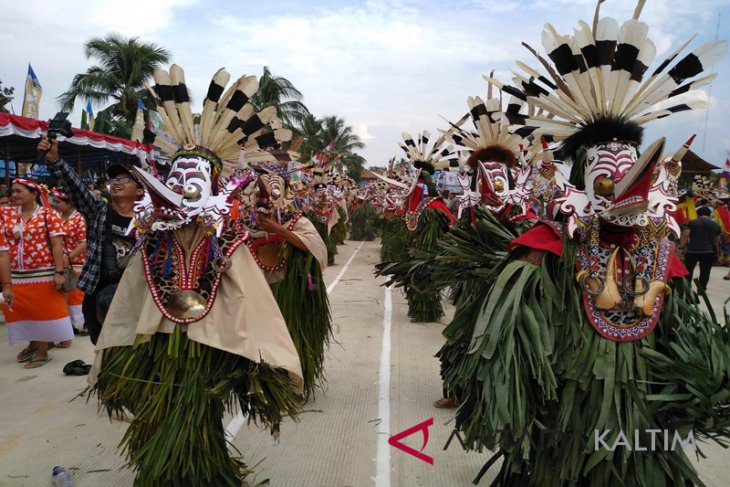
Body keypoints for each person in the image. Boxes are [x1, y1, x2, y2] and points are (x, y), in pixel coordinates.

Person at [41, 137, 144, 345]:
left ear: (140, 190)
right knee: (104, 344)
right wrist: (54, 159)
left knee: (137, 344)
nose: (116, 184)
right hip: (100, 290)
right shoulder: (97, 211)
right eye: (114, 181)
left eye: (124, 180)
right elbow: (75, 187)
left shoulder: (149, 220)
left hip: (138, 292)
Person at [1, 179, 74, 368]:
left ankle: (42, 351)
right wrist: (6, 282)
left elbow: (57, 244)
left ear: (34, 194)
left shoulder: (48, 215)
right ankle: (32, 344)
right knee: (23, 310)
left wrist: (59, 272)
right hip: (17, 274)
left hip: (44, 272)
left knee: (44, 312)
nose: (14, 195)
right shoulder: (6, 214)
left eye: (19, 191)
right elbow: (4, 249)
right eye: (13, 191)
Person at [52, 189, 87, 334]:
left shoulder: (79, 219)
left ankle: (80, 325)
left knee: (75, 295)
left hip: (76, 263)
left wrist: (69, 257)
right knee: (62, 296)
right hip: (60, 264)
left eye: (58, 202)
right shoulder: (56, 217)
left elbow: (84, 243)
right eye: (54, 201)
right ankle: (68, 326)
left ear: (70, 204)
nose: (55, 204)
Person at [680, 205, 721, 291]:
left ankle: (687, 288)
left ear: (698, 214)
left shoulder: (692, 222)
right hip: (709, 251)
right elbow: (717, 240)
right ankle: (701, 289)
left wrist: (681, 248)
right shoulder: (716, 225)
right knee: (705, 271)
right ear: (709, 215)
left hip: (692, 251)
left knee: (688, 271)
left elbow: (686, 235)